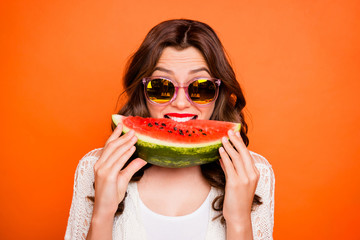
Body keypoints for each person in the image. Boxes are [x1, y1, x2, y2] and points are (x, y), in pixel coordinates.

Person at [65, 19, 275, 240]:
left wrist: (239, 220)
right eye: (161, 86)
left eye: (201, 87)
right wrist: (103, 213)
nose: (181, 103)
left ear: (218, 94)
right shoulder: (97, 168)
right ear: (142, 92)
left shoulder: (252, 173)